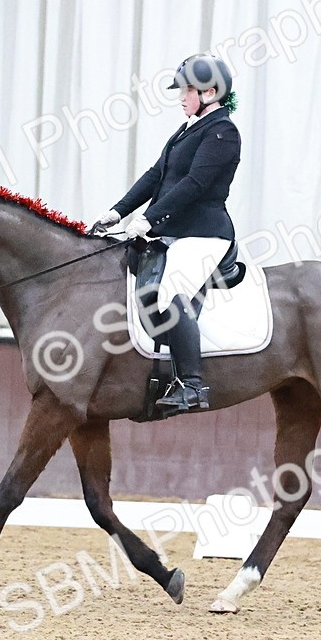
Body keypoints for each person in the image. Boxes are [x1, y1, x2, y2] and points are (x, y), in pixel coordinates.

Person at [92, 54, 241, 415]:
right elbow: (155, 175)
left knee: (175, 290)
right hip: (174, 229)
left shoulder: (223, 132)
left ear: (209, 92)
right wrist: (118, 211)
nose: (181, 97)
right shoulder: (188, 128)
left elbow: (194, 184)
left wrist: (150, 219)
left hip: (204, 233)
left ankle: (192, 385)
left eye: (187, 90)